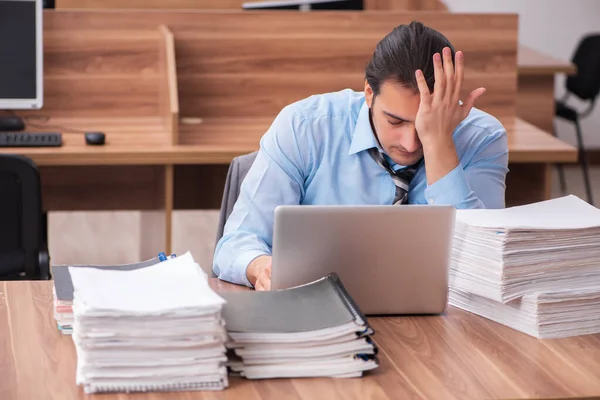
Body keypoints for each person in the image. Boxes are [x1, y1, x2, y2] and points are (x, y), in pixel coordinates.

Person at [213, 21, 509, 290]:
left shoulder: (482, 138)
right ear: (369, 92)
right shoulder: (304, 127)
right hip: (319, 314)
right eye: (395, 121)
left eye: (423, 125)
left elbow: (485, 264)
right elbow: (235, 245)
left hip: (441, 326)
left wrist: (439, 142)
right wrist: (261, 267)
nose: (409, 143)